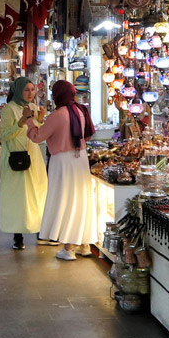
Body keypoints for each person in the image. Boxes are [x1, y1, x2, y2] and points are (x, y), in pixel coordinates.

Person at [33, 78, 102, 260]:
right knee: (81, 200)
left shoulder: (58, 114)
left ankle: (69, 248)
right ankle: (84, 244)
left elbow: (38, 136)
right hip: (80, 159)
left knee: (64, 200)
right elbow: (87, 134)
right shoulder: (80, 110)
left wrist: (29, 121)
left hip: (62, 161)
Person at [0, 75, 46, 249]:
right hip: (15, 158)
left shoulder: (33, 107)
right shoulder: (9, 109)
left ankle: (40, 229)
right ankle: (17, 235)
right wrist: (21, 121)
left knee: (37, 192)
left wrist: (40, 120)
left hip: (33, 156)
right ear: (17, 90)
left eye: (33, 90)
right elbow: (5, 135)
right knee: (18, 196)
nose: (30, 93)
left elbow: (37, 133)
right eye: (26, 90)